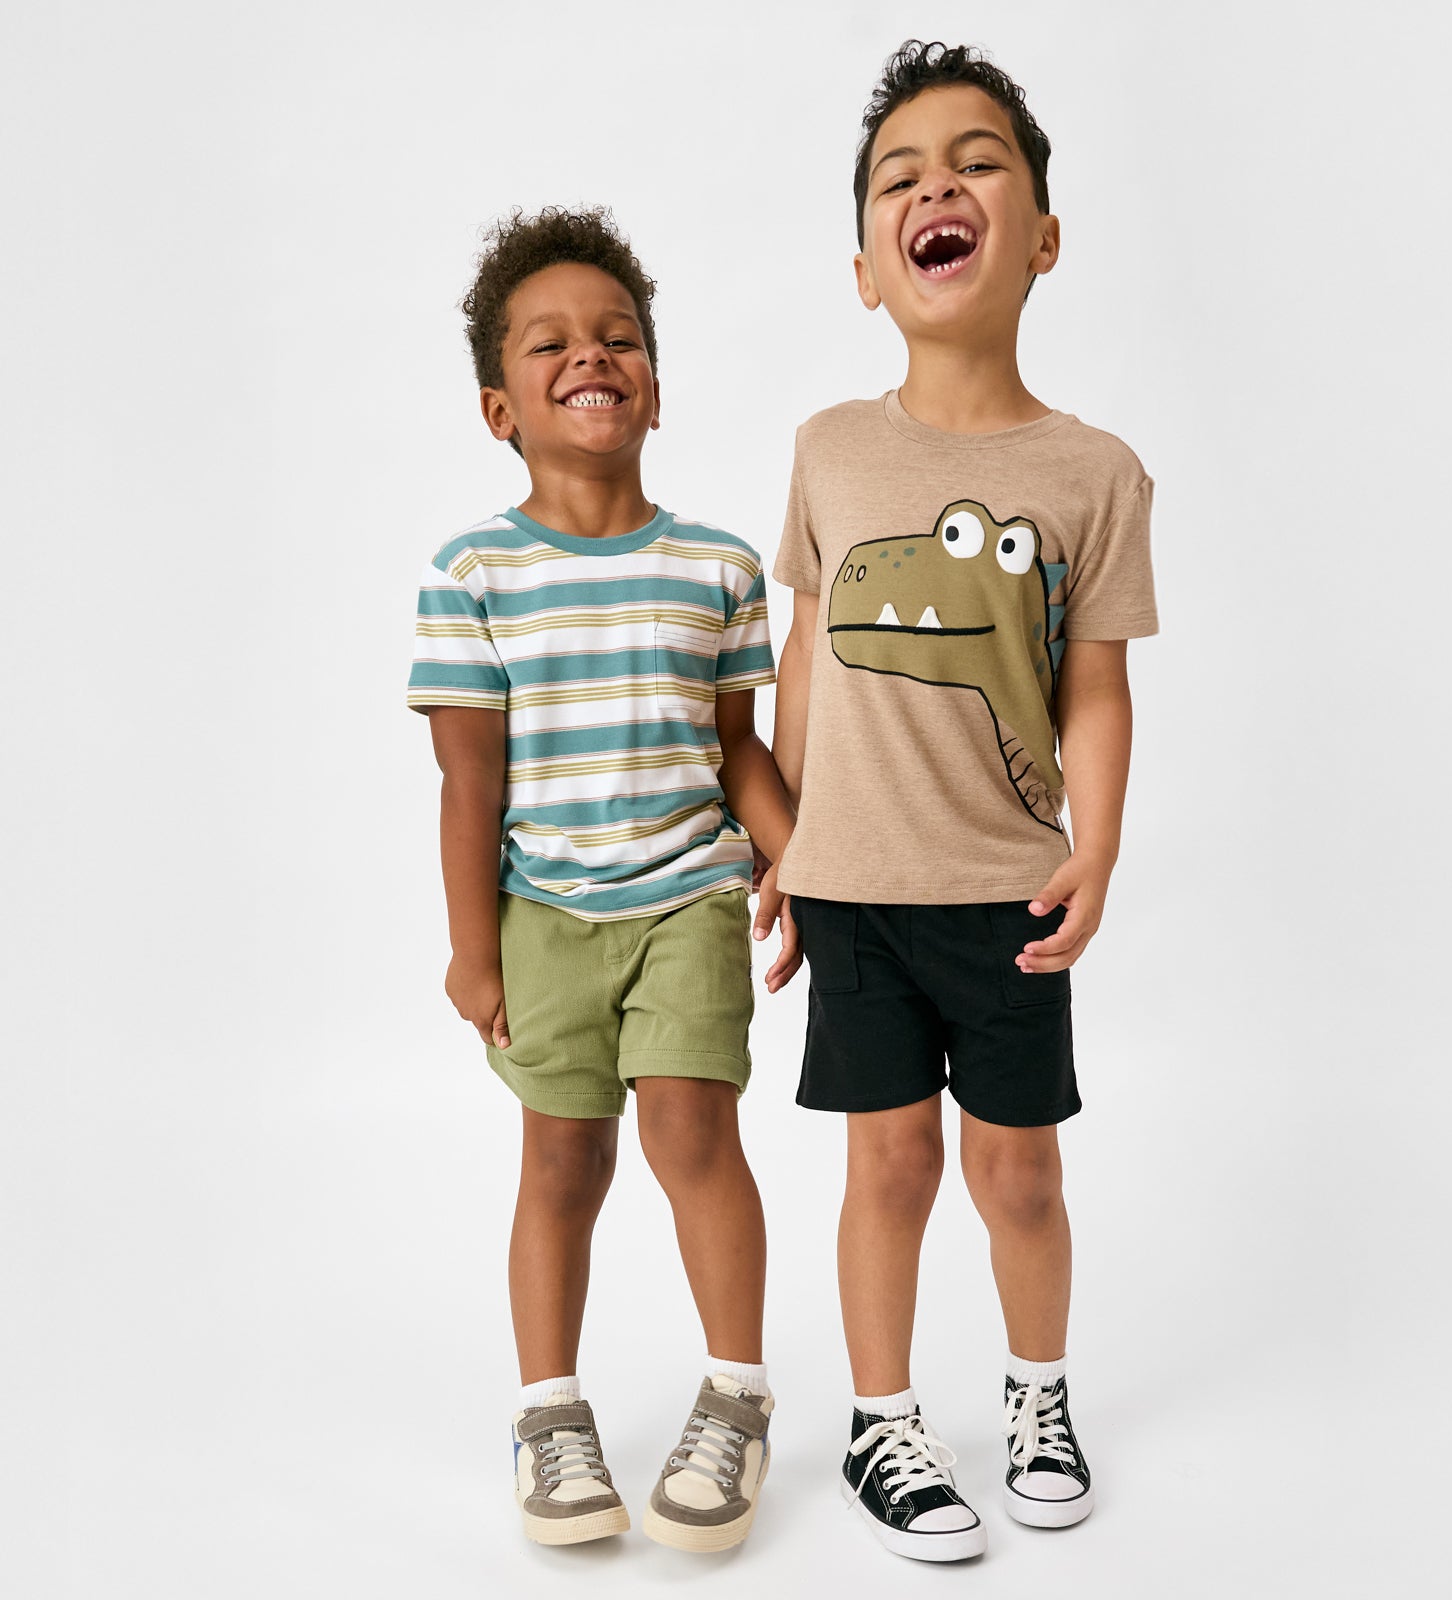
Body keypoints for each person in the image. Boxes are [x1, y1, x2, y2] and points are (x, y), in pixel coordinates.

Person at [768, 40, 1159, 1561]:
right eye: (901, 176)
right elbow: (808, 652)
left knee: (1019, 1170)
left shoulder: (1096, 472)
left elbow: (1095, 687)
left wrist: (1097, 847)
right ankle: (882, 1423)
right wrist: (782, 842)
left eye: (978, 161)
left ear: (1042, 237)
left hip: (1008, 890)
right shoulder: (828, 448)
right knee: (887, 1166)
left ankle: (1038, 1398)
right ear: (868, 267)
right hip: (856, 888)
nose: (938, 184)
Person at [407, 206, 801, 1553]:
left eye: (619, 336)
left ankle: (737, 1396)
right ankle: (549, 1415)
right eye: (552, 343)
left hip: (688, 897)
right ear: (499, 407)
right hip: (545, 916)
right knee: (562, 1160)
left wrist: (797, 862)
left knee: (693, 1135)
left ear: (656, 385)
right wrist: (473, 950)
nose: (592, 355)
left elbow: (737, 751)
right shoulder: (472, 575)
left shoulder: (717, 566)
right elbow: (469, 784)